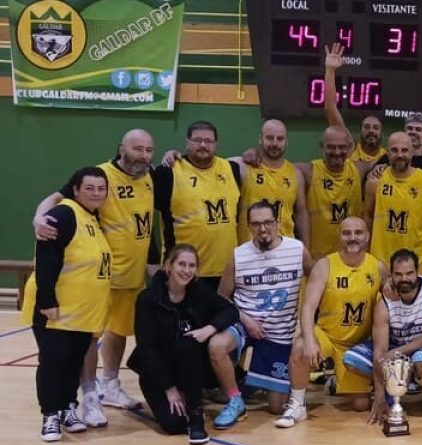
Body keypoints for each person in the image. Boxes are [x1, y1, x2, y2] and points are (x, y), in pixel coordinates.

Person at [31, 129, 156, 424]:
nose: (144, 155)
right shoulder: (100, 176)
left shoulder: (150, 177)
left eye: (149, 149)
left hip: (132, 275)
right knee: (89, 338)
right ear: (121, 148)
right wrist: (38, 216)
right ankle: (87, 396)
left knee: (118, 332)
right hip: (99, 276)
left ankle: (110, 385)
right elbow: (56, 197)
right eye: (137, 148)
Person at [22, 167, 112, 442]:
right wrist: (47, 300)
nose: (96, 193)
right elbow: (47, 256)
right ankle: (49, 414)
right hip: (59, 310)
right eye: (89, 188)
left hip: (84, 312)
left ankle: (67, 407)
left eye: (100, 188)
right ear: (75, 190)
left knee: (73, 363)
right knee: (53, 362)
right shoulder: (64, 213)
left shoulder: (92, 219)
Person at [217, 201, 315, 429]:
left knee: (275, 407)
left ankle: (254, 381)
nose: (263, 229)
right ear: (249, 226)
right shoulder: (238, 256)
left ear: (278, 223)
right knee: (217, 346)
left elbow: (318, 278)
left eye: (268, 223)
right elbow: (222, 297)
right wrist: (246, 320)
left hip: (279, 334)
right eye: (256, 224)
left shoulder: (297, 250)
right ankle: (235, 399)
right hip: (245, 324)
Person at [129, 245, 238, 445]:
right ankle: (184, 403)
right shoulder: (148, 300)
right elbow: (147, 350)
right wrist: (169, 388)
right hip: (159, 373)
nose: (186, 270)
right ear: (168, 266)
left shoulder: (199, 291)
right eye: (181, 264)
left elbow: (230, 311)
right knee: (174, 425)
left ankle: (196, 414)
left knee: (189, 343)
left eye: (192, 265)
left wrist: (209, 328)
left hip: (191, 367)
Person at [344, 249, 422, 422]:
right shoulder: (384, 302)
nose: (404, 279)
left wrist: (397, 352)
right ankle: (390, 389)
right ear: (391, 275)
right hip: (396, 345)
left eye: (409, 273)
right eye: (398, 274)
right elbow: (380, 351)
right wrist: (379, 396)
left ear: (418, 272)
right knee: (352, 360)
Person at [298, 217, 386, 412]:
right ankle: (296, 403)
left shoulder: (378, 267)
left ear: (367, 236)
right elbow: (307, 308)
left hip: (355, 345)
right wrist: (310, 339)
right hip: (327, 336)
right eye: (346, 233)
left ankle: (335, 382)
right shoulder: (324, 265)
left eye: (358, 233)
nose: (352, 238)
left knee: (361, 405)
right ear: (339, 236)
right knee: (300, 346)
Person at [153, 121, 242, 290]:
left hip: (227, 270)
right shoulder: (168, 171)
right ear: (187, 142)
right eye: (197, 140)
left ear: (216, 144)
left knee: (223, 316)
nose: (203, 145)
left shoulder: (232, 168)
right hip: (185, 270)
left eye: (208, 141)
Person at [365, 132, 422, 274]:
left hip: (417, 266)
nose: (400, 154)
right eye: (394, 150)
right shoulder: (374, 182)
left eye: (404, 150)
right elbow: (368, 217)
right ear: (387, 153)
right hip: (381, 265)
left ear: (412, 152)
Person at [234, 119, 310, 245]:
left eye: (280, 139)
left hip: (285, 249)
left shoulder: (295, 173)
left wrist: (305, 247)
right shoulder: (244, 167)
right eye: (269, 138)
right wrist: (246, 155)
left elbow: (301, 212)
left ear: (286, 142)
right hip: (251, 248)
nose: (275, 143)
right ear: (260, 139)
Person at [300, 126, 372, 258]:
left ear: (349, 147)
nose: (337, 152)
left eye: (342, 147)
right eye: (331, 147)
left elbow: (389, 163)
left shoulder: (358, 169)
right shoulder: (309, 171)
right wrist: (254, 153)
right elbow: (280, 166)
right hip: (320, 260)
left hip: (351, 258)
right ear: (322, 146)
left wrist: (381, 167)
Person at [324, 43, 384, 167]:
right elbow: (330, 108)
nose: (371, 130)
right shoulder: (351, 149)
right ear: (360, 131)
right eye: (367, 127)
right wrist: (330, 70)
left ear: (382, 134)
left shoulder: (389, 157)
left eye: (375, 127)